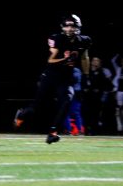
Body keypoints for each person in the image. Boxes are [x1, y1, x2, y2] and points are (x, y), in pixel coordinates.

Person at [14, 14, 91, 144]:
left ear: (78, 27)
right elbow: (51, 60)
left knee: (67, 100)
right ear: (62, 27)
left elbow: (85, 58)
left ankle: (52, 132)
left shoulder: (84, 40)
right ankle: (21, 114)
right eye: (67, 25)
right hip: (51, 75)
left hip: (66, 77)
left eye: (72, 25)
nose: (69, 28)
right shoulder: (57, 39)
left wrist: (87, 75)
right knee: (36, 107)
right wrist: (65, 59)